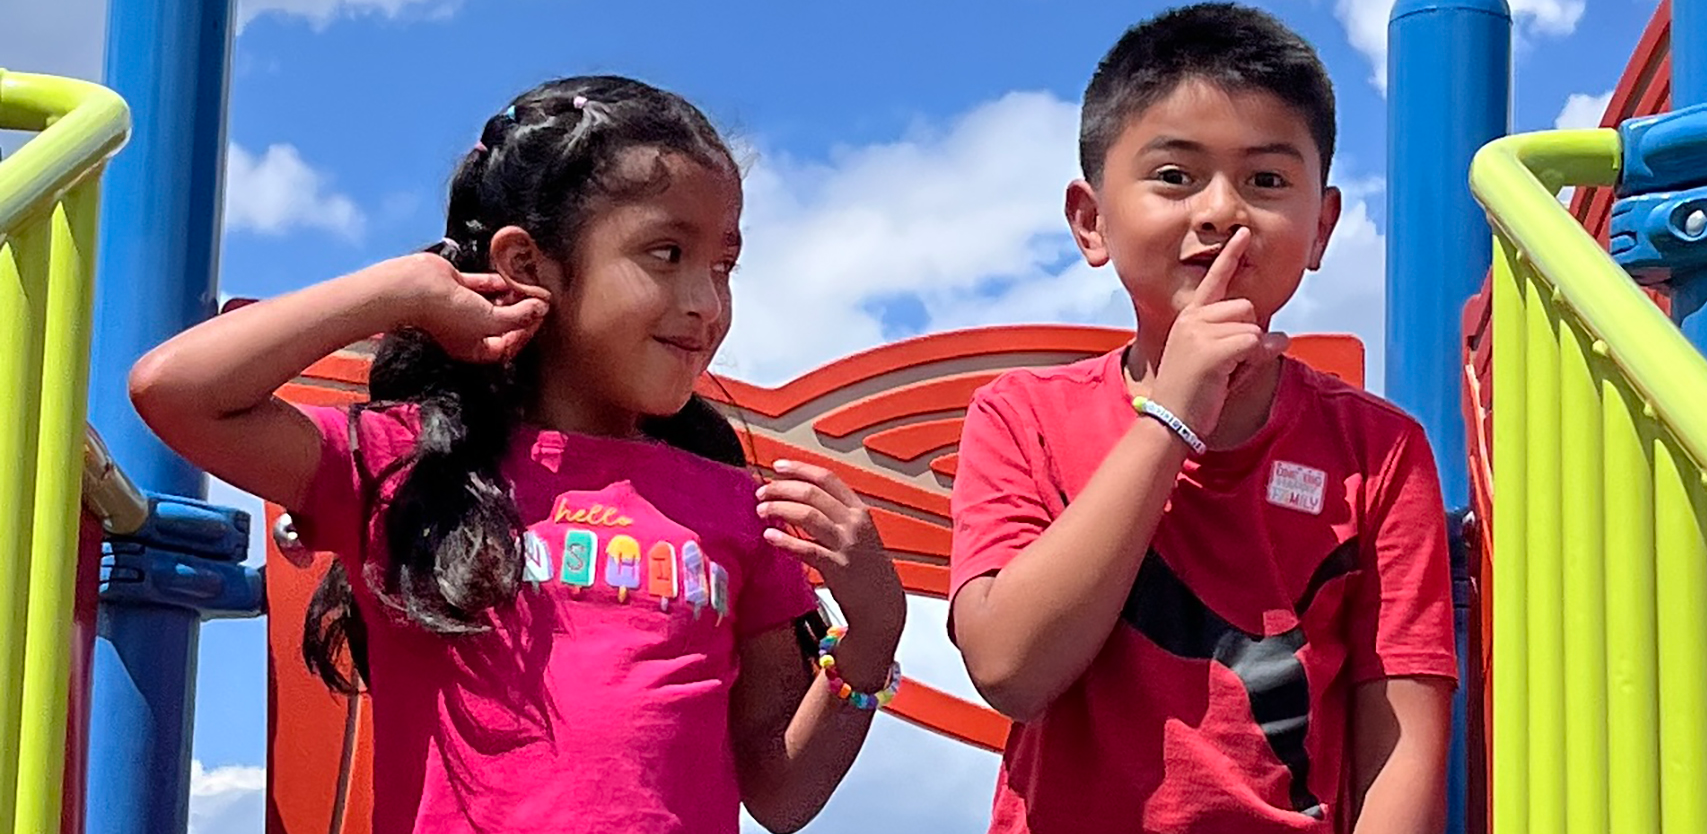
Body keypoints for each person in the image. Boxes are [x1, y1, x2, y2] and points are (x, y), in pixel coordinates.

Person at [129, 74, 907, 834]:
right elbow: (175, 390)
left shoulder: (738, 507)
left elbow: (781, 795)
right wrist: (402, 290)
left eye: (723, 266)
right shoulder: (405, 465)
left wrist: (874, 629)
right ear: (528, 266)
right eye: (667, 253)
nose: (706, 302)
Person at [946, 5, 1456, 833]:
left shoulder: (1380, 451)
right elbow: (1010, 667)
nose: (1221, 212)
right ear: (1091, 221)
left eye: (1265, 180)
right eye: (1175, 177)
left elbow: (1401, 740)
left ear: (1321, 226)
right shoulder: (1022, 416)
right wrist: (1171, 417)